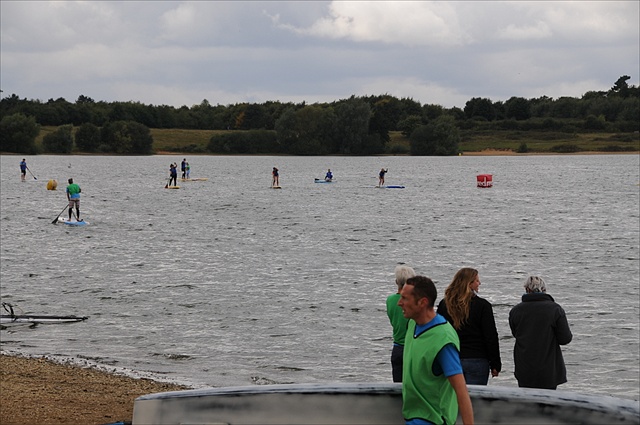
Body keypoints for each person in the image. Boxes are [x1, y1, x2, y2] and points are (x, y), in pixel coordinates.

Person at [399, 276, 474, 425]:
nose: (399, 303)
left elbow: (461, 391)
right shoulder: (412, 325)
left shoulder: (443, 340)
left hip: (434, 420)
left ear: (422, 302)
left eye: (405, 298)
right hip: (413, 417)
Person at [437, 267, 501, 385]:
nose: (479, 283)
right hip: (477, 359)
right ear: (469, 284)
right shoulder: (483, 306)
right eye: (477, 280)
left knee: (453, 396)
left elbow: (439, 333)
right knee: (474, 396)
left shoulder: (444, 305)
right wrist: (495, 364)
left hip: (451, 359)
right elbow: (490, 336)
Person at [509, 276, 572, 390]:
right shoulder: (555, 309)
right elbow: (565, 339)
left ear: (527, 289)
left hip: (524, 367)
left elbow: (515, 334)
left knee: (526, 398)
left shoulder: (515, 311)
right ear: (544, 289)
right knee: (548, 399)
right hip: (549, 368)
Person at [386, 264, 416, 382]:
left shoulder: (390, 300)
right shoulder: (415, 301)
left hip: (397, 347)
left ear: (396, 282)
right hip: (412, 347)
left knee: (398, 386)